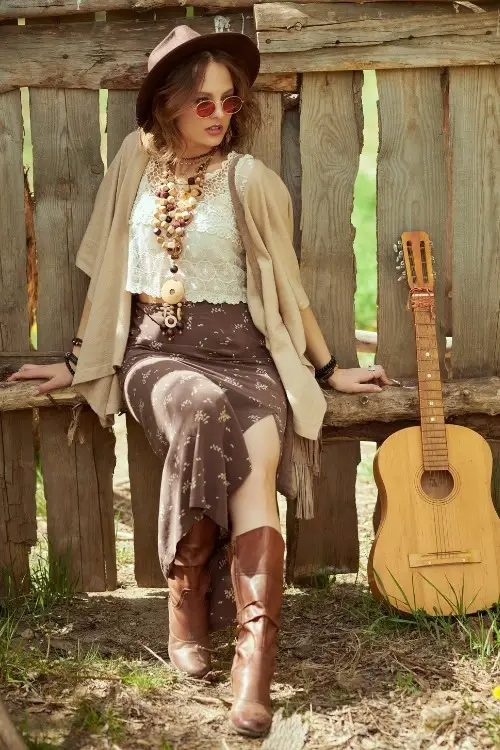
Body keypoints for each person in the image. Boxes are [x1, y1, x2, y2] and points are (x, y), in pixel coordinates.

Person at [8, 25, 390, 737]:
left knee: (257, 480)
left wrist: (330, 369)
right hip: (159, 354)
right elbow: (109, 275)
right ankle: (187, 602)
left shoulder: (251, 180)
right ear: (167, 104)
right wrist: (77, 356)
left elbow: (290, 290)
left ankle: (253, 672)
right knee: (202, 407)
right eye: (203, 102)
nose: (220, 114)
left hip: (249, 359)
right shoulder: (134, 163)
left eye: (229, 102)